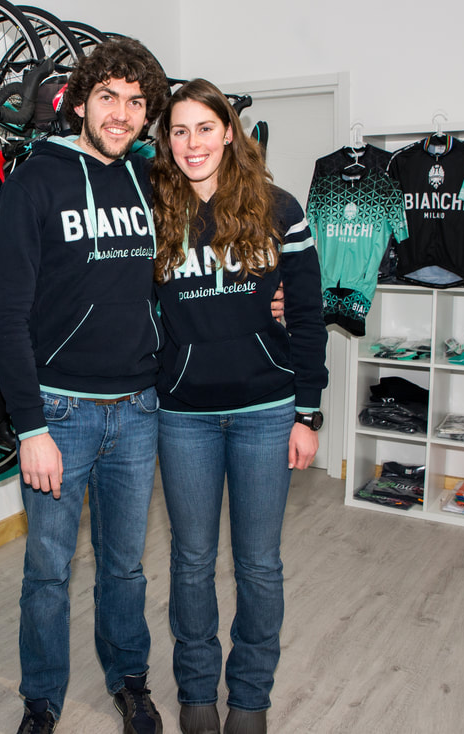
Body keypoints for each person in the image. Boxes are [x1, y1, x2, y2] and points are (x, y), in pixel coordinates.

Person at [0, 37, 170, 734]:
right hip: (61, 413)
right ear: (82, 102)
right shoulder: (38, 180)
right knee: (49, 573)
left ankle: (129, 682)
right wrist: (30, 427)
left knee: (125, 569)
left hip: (139, 407)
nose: (121, 114)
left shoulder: (149, 182)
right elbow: (8, 314)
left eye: (135, 102)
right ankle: (42, 699)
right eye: (109, 98)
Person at [148, 79, 328, 734]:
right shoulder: (153, 214)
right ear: (166, 142)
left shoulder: (280, 211)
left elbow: (308, 316)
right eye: (178, 130)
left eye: (204, 127)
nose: (192, 143)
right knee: (192, 562)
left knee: (258, 563)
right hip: (182, 414)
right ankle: (197, 693)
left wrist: (309, 412)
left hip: (266, 410)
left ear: (229, 131)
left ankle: (250, 699)